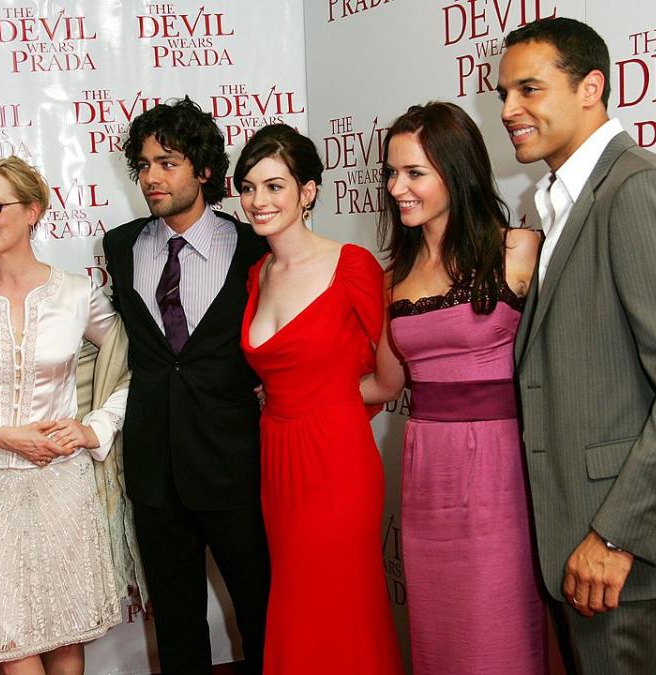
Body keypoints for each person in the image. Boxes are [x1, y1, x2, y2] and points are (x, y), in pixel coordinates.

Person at [497, 17, 656, 674]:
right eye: (504, 93)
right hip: (580, 548)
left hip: (625, 556)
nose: (508, 111)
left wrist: (616, 532)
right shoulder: (555, 202)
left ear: (592, 87)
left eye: (529, 89)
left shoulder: (637, 189)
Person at [0, 156, 135, 675]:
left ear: (32, 211)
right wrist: (4, 436)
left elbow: (128, 368)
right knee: (12, 651)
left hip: (65, 487)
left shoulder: (78, 294)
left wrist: (94, 427)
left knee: (65, 640)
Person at [363, 102, 545, 674]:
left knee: (500, 626)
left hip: (503, 466)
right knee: (442, 634)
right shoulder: (394, 277)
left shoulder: (519, 251)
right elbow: (386, 382)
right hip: (427, 467)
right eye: (392, 173)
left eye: (415, 173)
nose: (397, 187)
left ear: (457, 170)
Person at [102, 97, 270, 675]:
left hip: (234, 462)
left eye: (167, 163)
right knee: (175, 624)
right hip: (153, 468)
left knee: (261, 610)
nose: (151, 177)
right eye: (143, 165)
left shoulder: (254, 248)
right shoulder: (119, 246)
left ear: (203, 170)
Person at [236, 123, 402, 675]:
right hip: (277, 458)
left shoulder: (350, 263)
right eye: (249, 187)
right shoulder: (258, 274)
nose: (259, 201)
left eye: (275, 186)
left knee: (340, 604)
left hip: (336, 458)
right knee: (295, 602)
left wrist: (329, 401)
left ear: (307, 192)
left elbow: (390, 377)